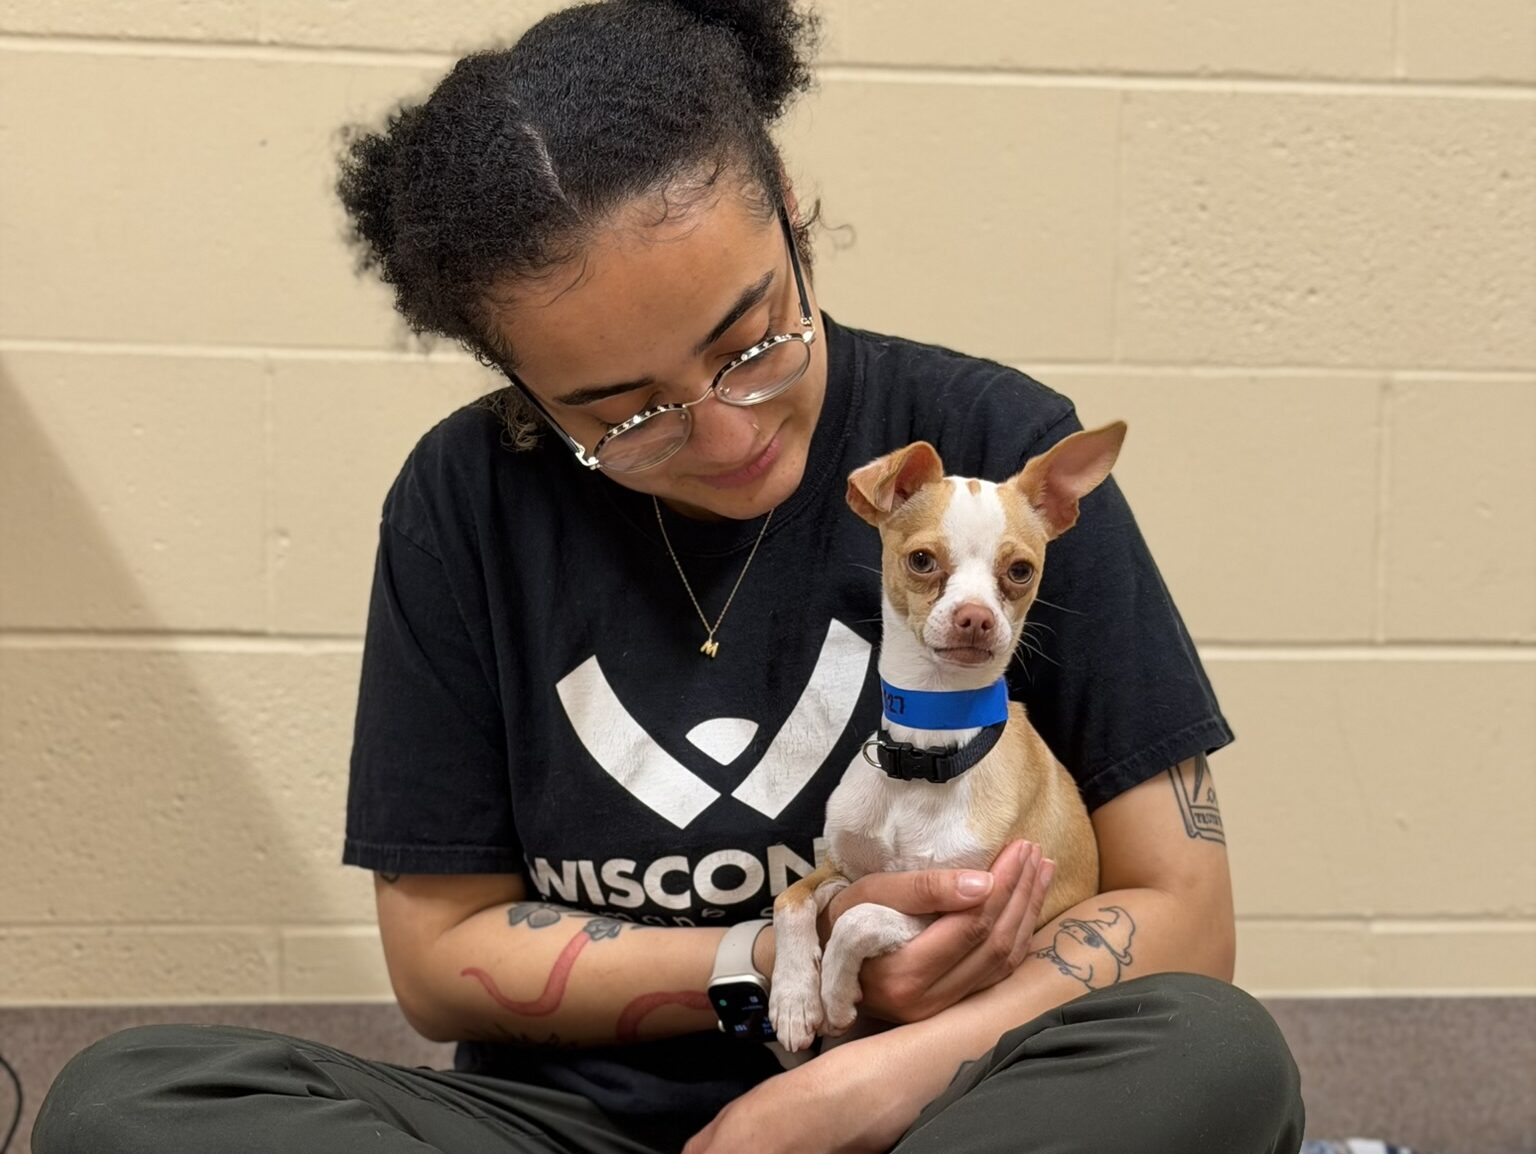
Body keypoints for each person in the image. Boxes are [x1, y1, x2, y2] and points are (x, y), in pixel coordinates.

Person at [32, 2, 1305, 1151]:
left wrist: (854, 1087)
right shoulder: (463, 500)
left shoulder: (985, 453)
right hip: (571, 1126)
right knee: (128, 1099)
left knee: (1214, 1057)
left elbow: (1185, 920)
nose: (726, 429)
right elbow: (437, 961)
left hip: (942, 1113)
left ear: (793, 212)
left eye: (752, 342)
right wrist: (765, 955)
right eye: (620, 413)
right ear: (518, 385)